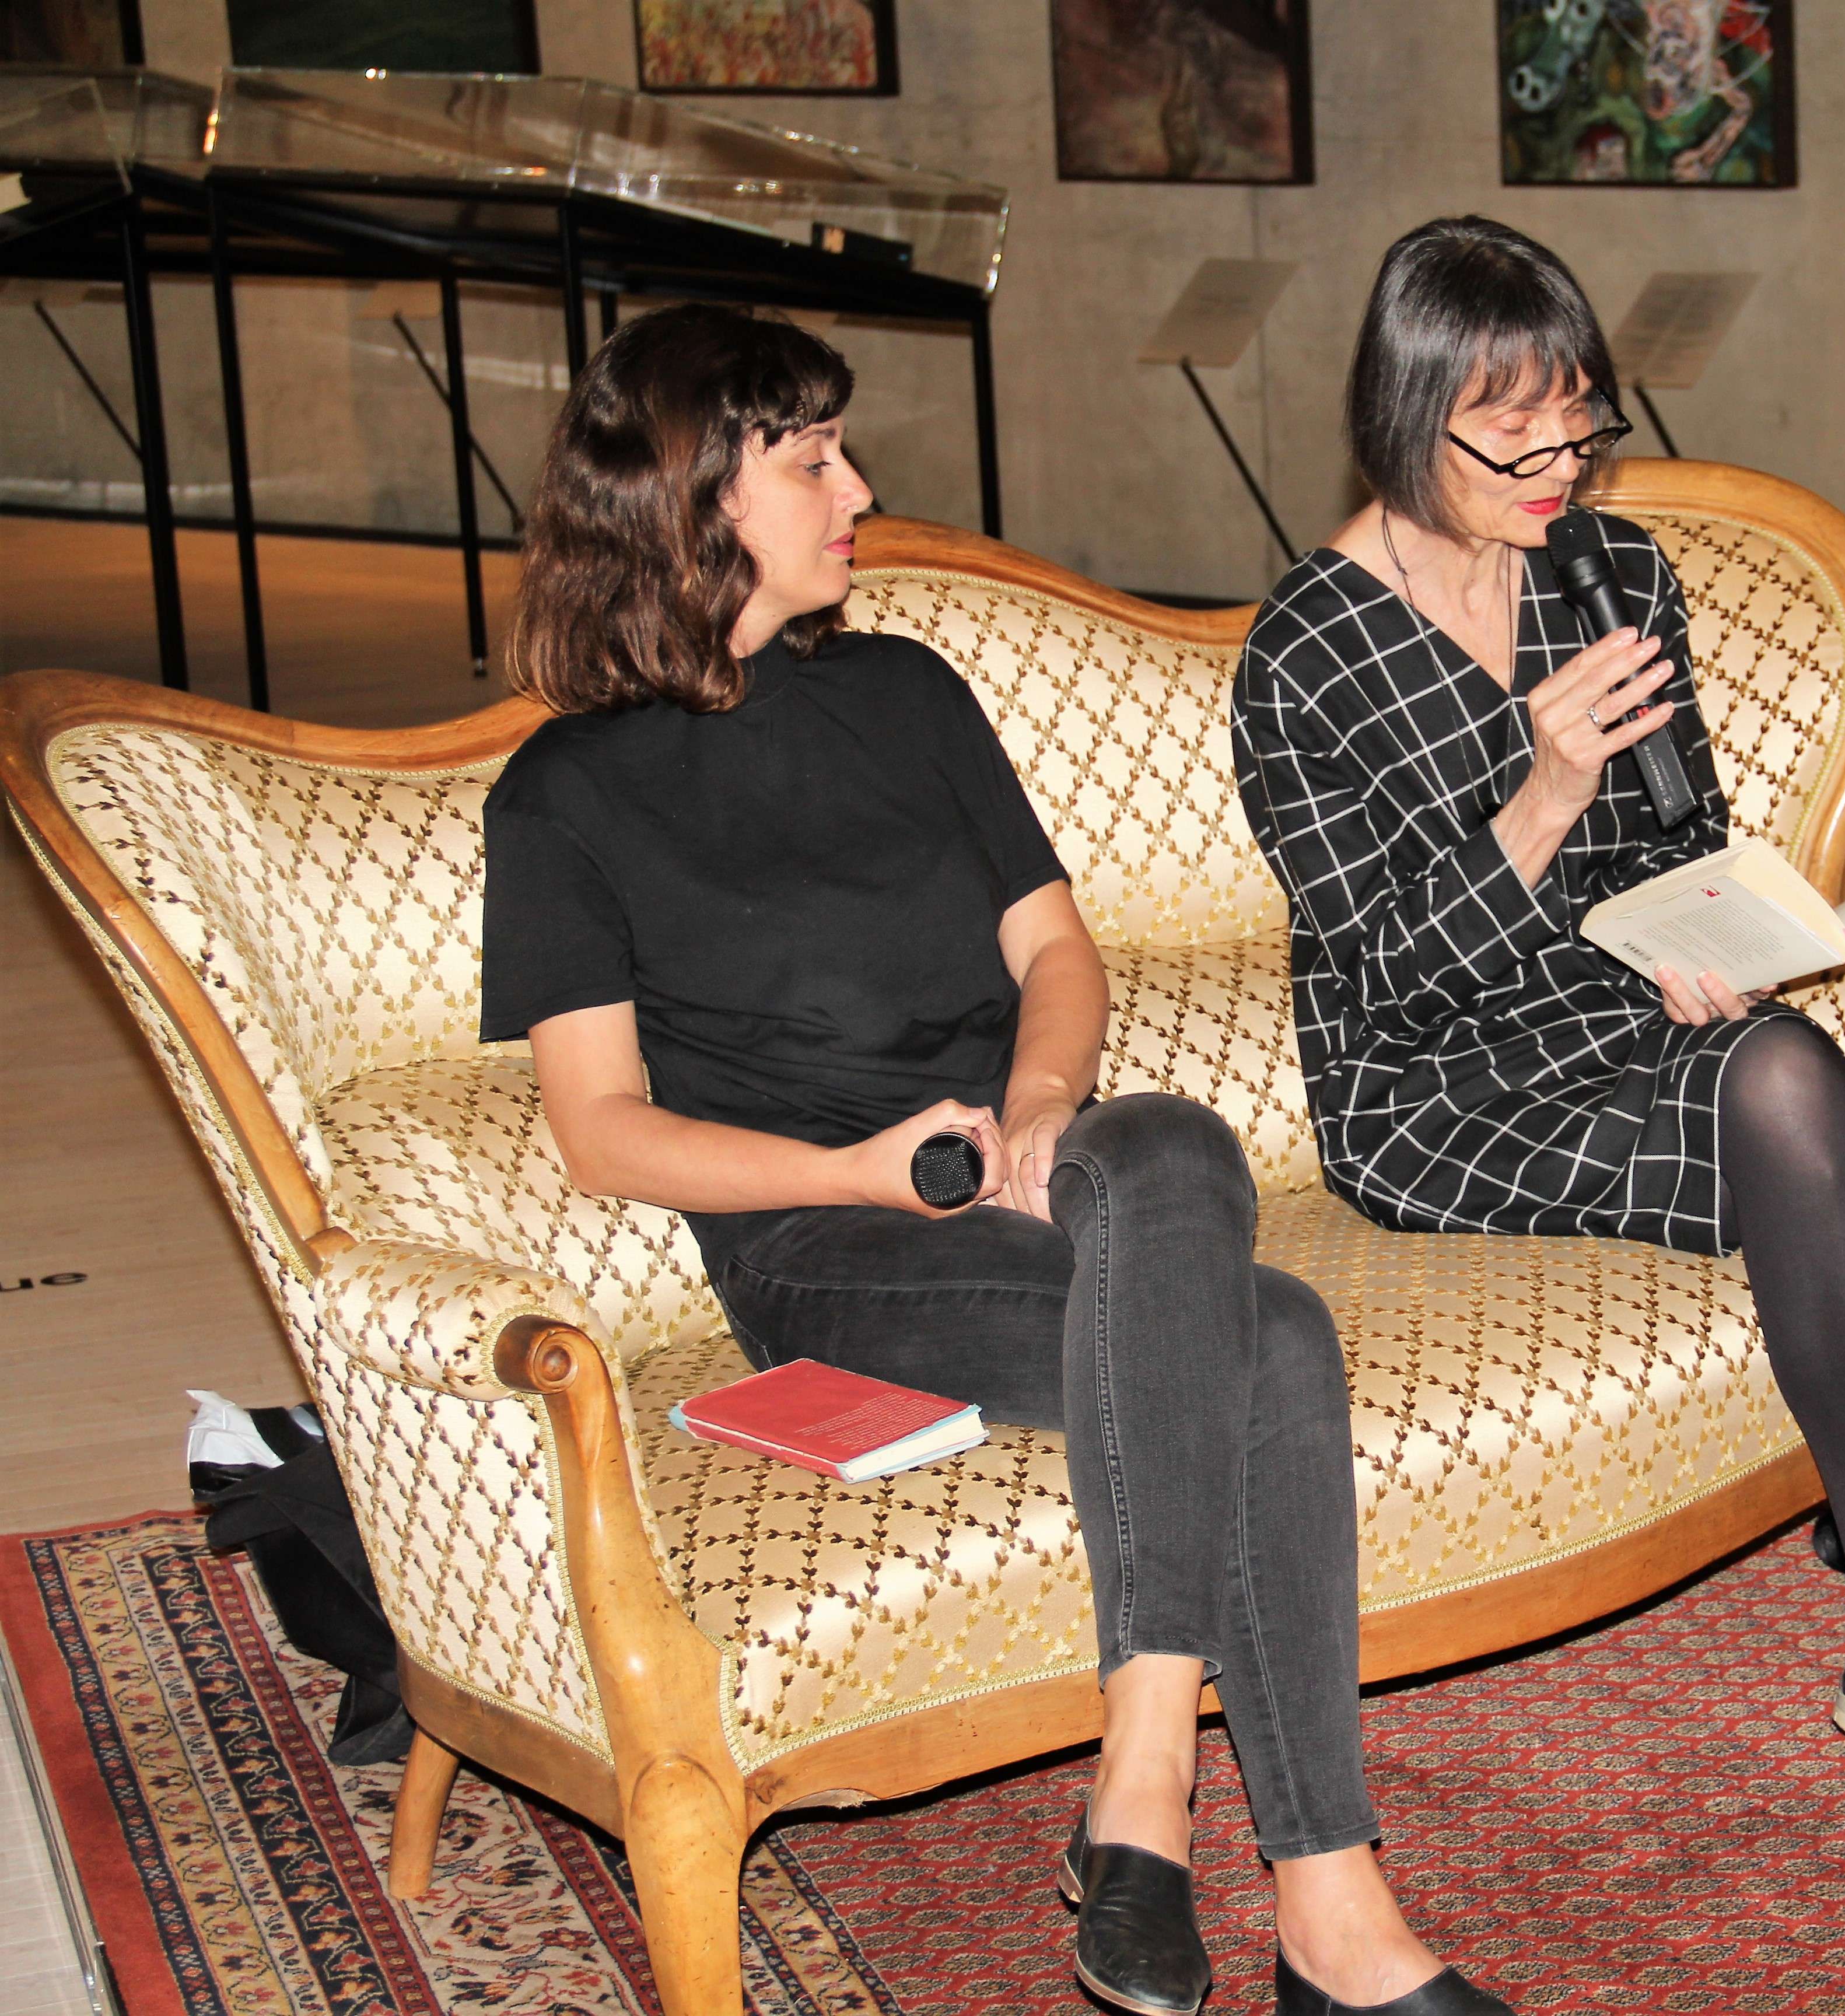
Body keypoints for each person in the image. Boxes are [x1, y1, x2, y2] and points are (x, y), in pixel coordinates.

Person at [478, 303, 1513, 2016]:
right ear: (692, 496)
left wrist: (1038, 1112)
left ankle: (1140, 1787)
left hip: (1039, 1172)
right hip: (837, 1241)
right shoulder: (563, 798)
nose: (858, 490)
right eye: (812, 461)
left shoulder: (906, 693)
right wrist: (872, 1172)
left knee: (1170, 1136)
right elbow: (603, 1135)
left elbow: (1061, 957)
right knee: (1273, 1340)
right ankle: (1329, 1909)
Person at [1232, 216, 1845, 1824]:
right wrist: (1542, 794)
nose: (1560, 467)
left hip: (1616, 1009)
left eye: (1581, 423)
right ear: (1411, 416)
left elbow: (1679, 828)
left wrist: (1704, 937)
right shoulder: (1309, 650)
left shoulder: (1612, 571)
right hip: (1434, 1085)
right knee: (1792, 1091)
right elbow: (1390, 969)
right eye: (1516, 436)